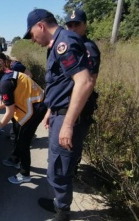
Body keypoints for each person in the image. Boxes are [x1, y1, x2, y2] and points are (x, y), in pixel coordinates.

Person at [23, 8, 95, 221]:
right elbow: (62, 84)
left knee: (59, 168)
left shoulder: (64, 43)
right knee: (57, 164)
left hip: (67, 116)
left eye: (32, 34)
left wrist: (67, 124)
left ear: (41, 26)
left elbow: (84, 82)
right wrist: (51, 111)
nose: (33, 40)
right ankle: (59, 204)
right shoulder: (59, 43)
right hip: (59, 112)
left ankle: (62, 213)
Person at [0, 59, 47, 184]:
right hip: (30, 104)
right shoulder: (5, 75)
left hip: (36, 107)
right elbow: (6, 101)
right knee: (16, 132)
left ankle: (24, 173)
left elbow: (9, 111)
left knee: (23, 141)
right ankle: (15, 159)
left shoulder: (5, 82)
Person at [65, 9, 101, 175]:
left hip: (80, 107)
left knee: (71, 148)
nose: (72, 28)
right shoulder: (72, 46)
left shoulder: (88, 48)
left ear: (85, 25)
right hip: (69, 104)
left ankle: (65, 193)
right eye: (69, 24)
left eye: (76, 24)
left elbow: (89, 82)